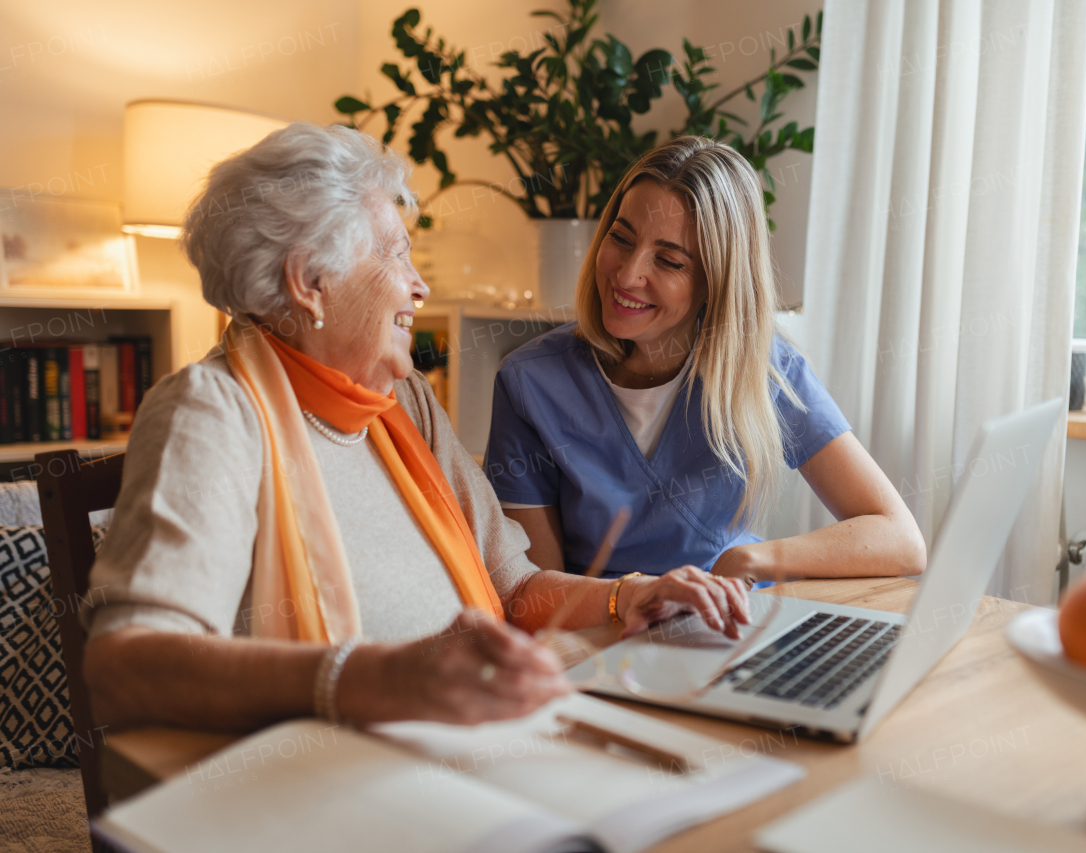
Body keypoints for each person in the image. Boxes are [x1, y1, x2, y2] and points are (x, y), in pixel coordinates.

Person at [82, 123, 752, 734]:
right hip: (335, 782)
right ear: (312, 282)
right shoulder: (211, 413)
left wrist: (631, 594)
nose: (419, 286)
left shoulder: (402, 401)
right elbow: (124, 667)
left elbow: (514, 588)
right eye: (396, 256)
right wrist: (380, 678)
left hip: (486, 742)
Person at [485, 137, 926, 588]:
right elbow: (537, 594)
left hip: (730, 624)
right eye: (620, 238)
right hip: (603, 636)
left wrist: (751, 558)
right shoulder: (529, 383)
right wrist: (638, 599)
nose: (627, 274)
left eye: (669, 260)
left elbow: (900, 538)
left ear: (717, 282)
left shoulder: (764, 368)